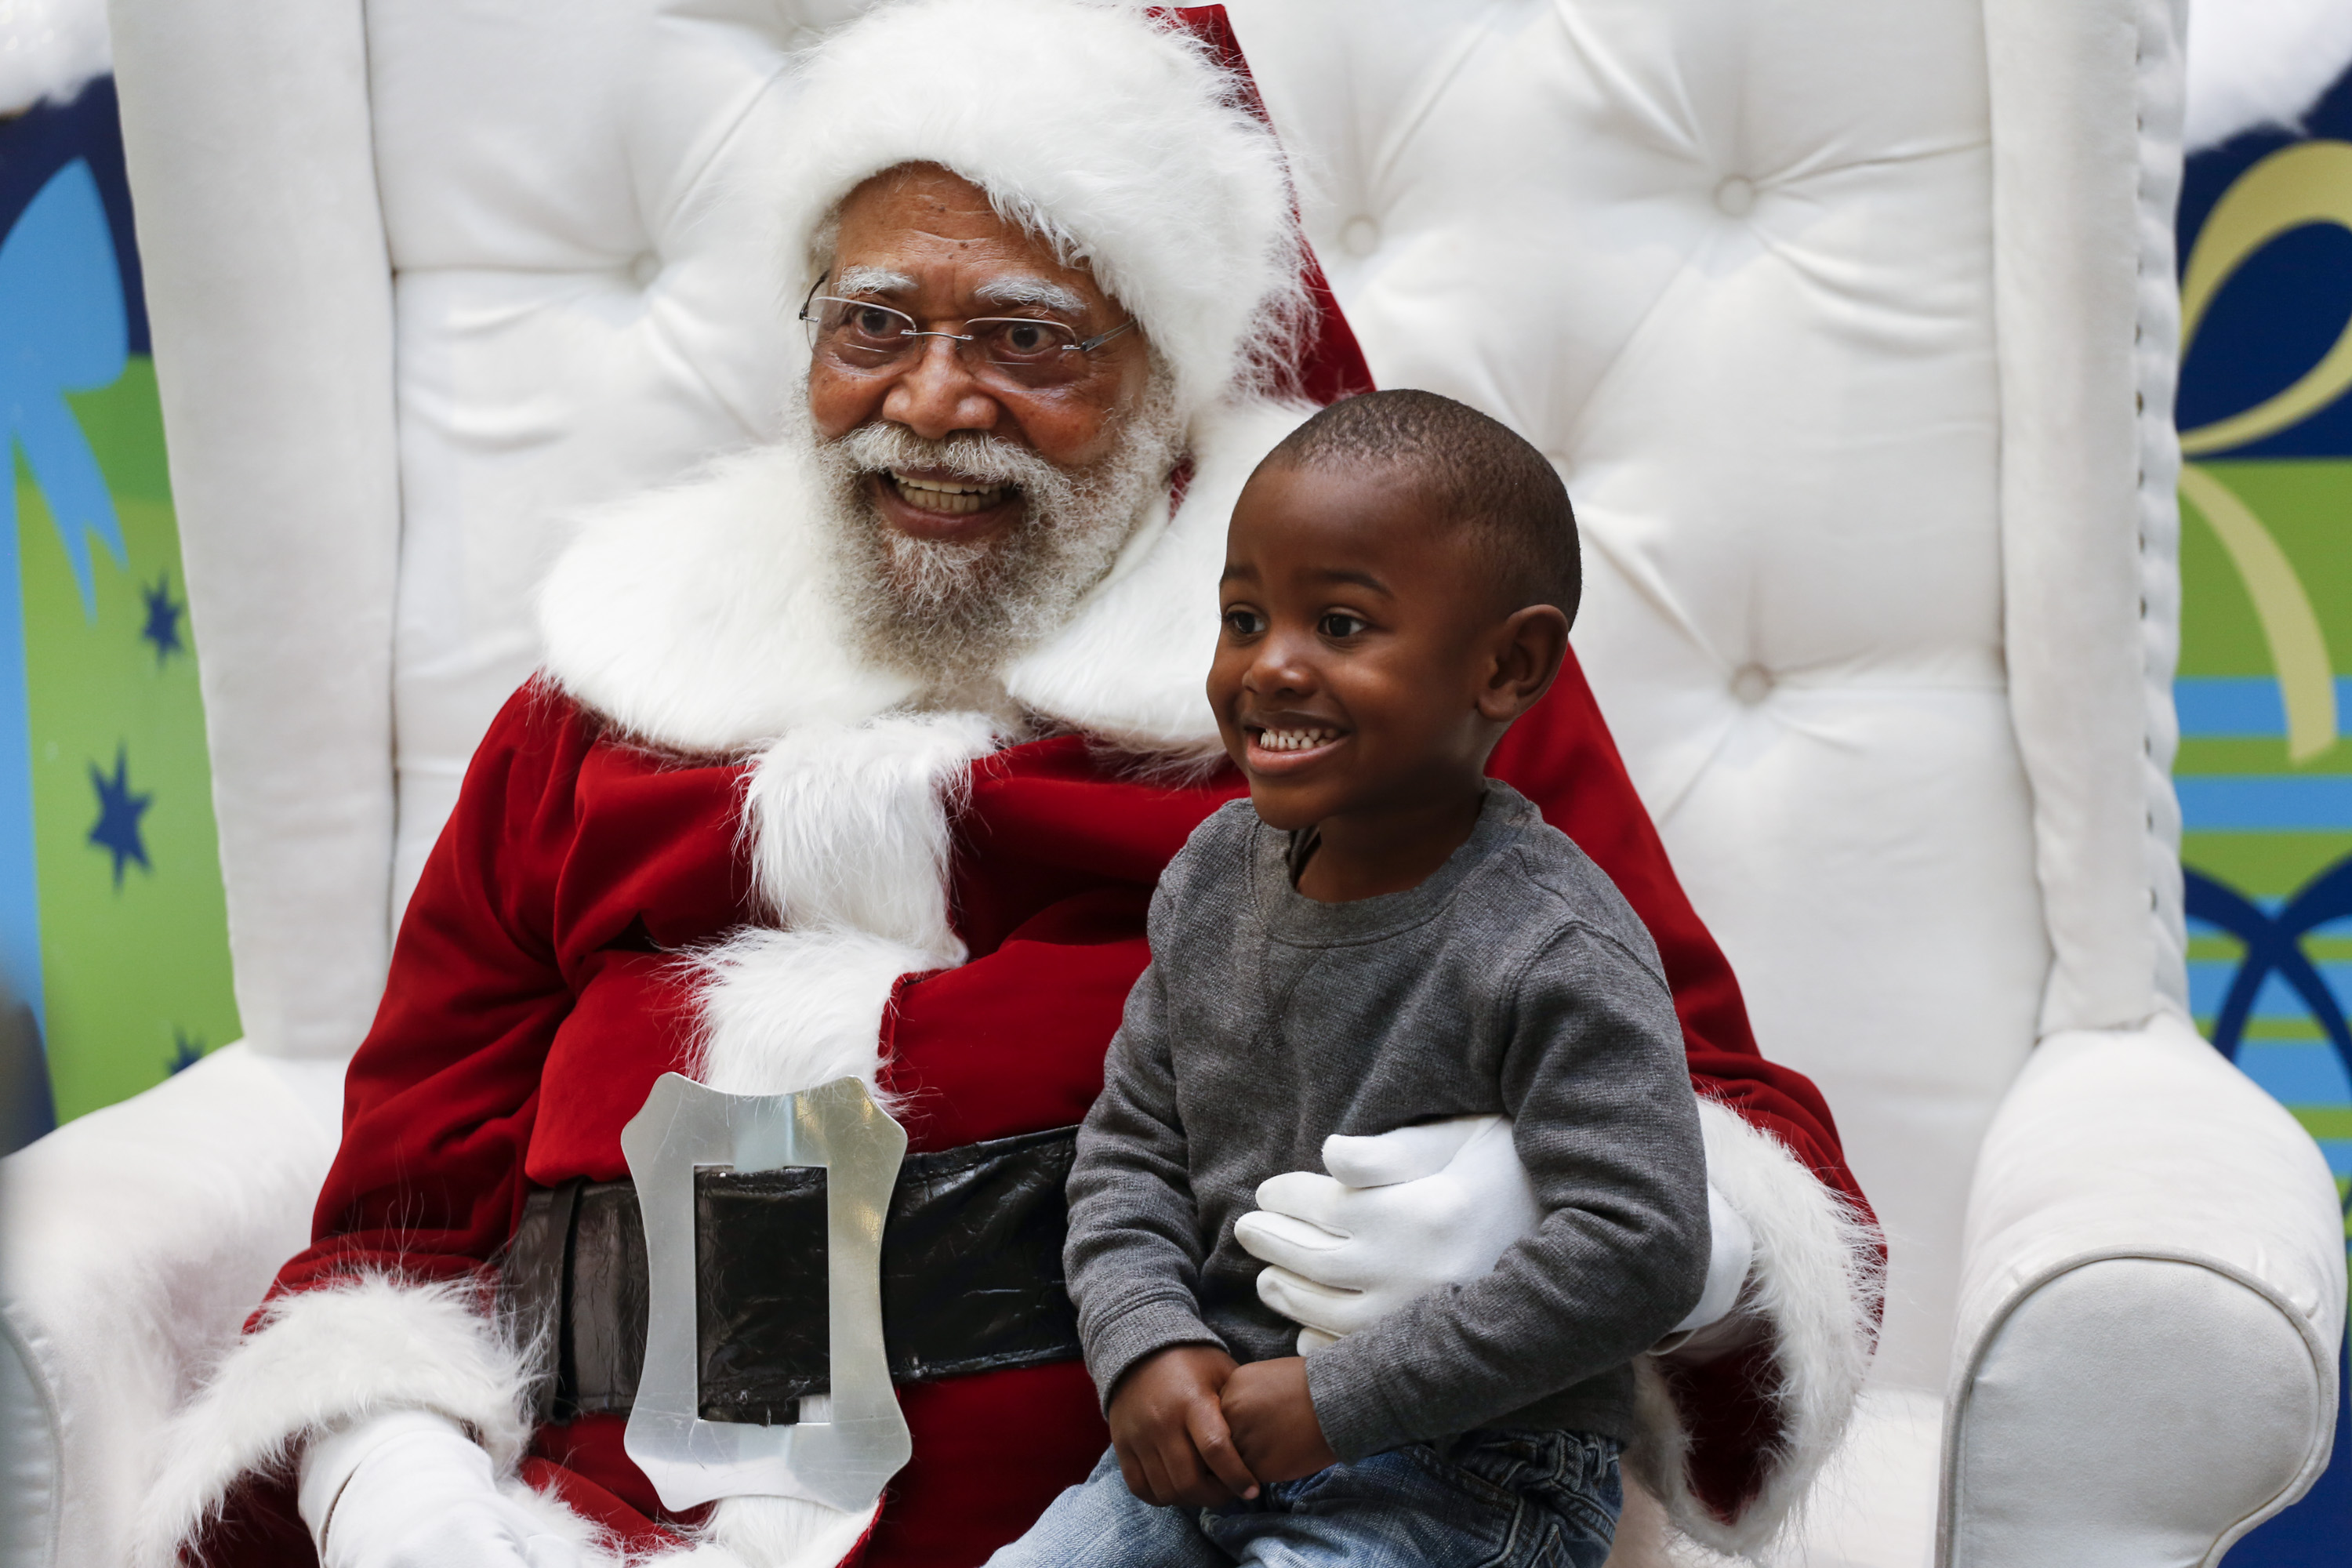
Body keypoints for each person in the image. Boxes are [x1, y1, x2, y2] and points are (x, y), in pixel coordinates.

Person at [140, 7, 1878, 1568]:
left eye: (1030, 340)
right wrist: (388, 1475)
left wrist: (1566, 1208)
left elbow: (1733, 1116)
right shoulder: (600, 701)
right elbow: (399, 1224)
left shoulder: (1371, 668)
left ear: (1169, 365)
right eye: (873, 323)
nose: (931, 400)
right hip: (607, 1528)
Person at [988, 390, 1705, 1568]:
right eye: (1242, 616)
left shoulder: (1550, 943)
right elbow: (1128, 1151)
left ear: (1507, 665)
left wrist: (1334, 1405)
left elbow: (1640, 1246)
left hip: (1465, 1469)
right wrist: (1146, 1343)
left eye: (1340, 623)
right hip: (1213, 1437)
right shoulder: (1216, 875)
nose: (1269, 667)